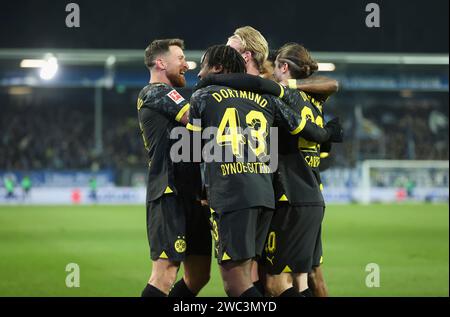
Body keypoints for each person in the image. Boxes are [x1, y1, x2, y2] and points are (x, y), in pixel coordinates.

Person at [190, 44, 342, 297]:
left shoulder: (209, 96)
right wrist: (327, 134)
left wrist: (200, 192)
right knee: (303, 278)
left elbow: (194, 153)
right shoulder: (282, 98)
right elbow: (308, 124)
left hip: (268, 195)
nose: (198, 74)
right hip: (282, 196)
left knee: (255, 281)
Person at [137, 39, 211, 297]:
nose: (186, 65)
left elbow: (198, 140)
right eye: (180, 58)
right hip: (169, 192)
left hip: (191, 194)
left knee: (199, 275)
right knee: (165, 274)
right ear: (161, 62)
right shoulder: (156, 92)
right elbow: (196, 117)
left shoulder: (170, 98)